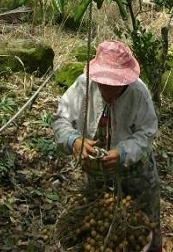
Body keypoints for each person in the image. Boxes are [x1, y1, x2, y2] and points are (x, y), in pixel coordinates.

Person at [53, 40, 162, 251]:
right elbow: (60, 119)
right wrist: (73, 140)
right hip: (97, 176)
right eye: (104, 84)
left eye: (115, 85)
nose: (109, 89)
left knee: (143, 230)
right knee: (100, 233)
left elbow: (147, 131)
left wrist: (123, 152)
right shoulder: (84, 86)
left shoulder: (138, 93)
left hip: (137, 176)